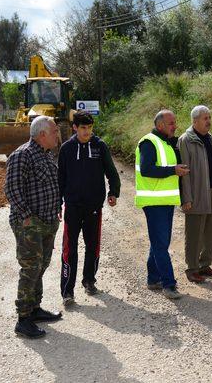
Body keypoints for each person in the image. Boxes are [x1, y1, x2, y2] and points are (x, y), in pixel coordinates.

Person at [4, 116, 62, 339]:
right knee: (30, 267)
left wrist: (56, 208)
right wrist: (27, 216)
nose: (58, 135)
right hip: (30, 224)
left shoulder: (46, 156)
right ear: (42, 135)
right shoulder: (22, 155)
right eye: (55, 131)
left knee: (42, 265)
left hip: (47, 222)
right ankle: (23, 318)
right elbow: (12, 190)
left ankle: (35, 308)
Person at [58, 110, 121, 306]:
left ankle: (89, 281)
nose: (87, 132)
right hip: (73, 207)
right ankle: (68, 291)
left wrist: (113, 193)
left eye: (90, 128)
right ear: (74, 128)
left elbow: (111, 172)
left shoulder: (100, 146)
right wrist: (57, 204)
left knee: (93, 246)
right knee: (70, 249)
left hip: (94, 206)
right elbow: (60, 179)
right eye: (83, 128)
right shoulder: (66, 149)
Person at [135, 109, 189, 300]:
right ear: (160, 125)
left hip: (164, 201)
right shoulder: (149, 142)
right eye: (171, 123)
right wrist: (173, 170)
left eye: (175, 122)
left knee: (160, 243)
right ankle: (169, 284)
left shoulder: (166, 142)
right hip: (153, 201)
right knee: (161, 244)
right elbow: (147, 169)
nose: (175, 126)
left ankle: (153, 279)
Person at [178, 105, 212, 283]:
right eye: (205, 118)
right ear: (194, 121)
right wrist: (186, 197)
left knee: (210, 231)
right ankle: (192, 268)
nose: (209, 121)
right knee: (194, 232)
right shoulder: (186, 140)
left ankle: (205, 265)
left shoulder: (210, 138)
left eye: (209, 117)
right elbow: (184, 173)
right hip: (197, 193)